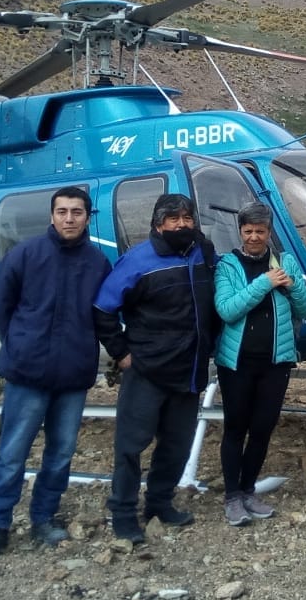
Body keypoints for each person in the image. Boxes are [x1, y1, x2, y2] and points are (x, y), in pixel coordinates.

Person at [0, 185, 111, 560]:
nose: (69, 218)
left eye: (77, 212)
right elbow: (0, 308)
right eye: (63, 211)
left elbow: (104, 316)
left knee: (61, 453)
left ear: (87, 217)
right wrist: (18, 346)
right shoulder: (24, 255)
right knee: (13, 452)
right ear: (52, 215)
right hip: (27, 374)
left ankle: (44, 518)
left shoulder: (98, 263)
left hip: (72, 377)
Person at [93, 193, 220, 543]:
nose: (182, 224)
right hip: (147, 371)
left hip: (190, 369)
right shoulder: (136, 261)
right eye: (173, 219)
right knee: (131, 446)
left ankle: (159, 504)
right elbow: (103, 310)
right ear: (157, 223)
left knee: (176, 446)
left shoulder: (203, 254)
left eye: (187, 218)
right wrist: (121, 354)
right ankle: (122, 512)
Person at [213, 202, 306, 526]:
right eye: (249, 231)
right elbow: (227, 309)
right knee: (235, 428)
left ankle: (248, 490)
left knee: (262, 429)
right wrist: (265, 283)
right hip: (237, 362)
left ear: (269, 232)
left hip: (276, 361)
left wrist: (293, 285)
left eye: (261, 231)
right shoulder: (228, 265)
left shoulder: (285, 262)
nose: (254, 237)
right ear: (240, 232)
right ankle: (231, 496)